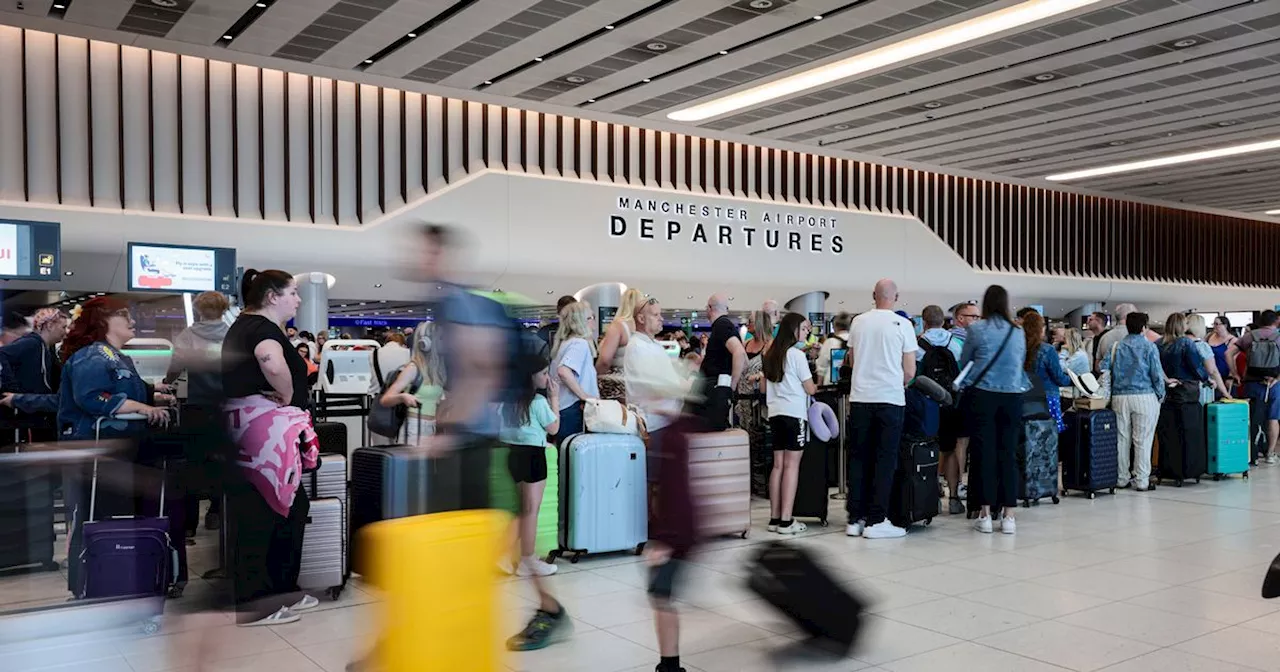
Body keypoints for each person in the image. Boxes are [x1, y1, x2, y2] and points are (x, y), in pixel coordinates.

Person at [221, 269, 319, 627]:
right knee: (262, 511)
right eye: (293, 292)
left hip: (261, 436)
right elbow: (270, 361)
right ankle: (255, 602)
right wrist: (289, 396)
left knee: (291, 507)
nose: (298, 299)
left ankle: (281, 589)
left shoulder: (251, 326)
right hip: (261, 437)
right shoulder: (260, 328)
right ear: (272, 296)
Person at [58, 297, 174, 593]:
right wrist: (144, 407)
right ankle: (91, 585)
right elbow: (93, 397)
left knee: (114, 518)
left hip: (118, 453)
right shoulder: (92, 356)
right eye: (124, 315)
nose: (133, 320)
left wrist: (152, 394)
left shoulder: (117, 356)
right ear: (103, 320)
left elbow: (124, 388)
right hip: (94, 453)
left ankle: (115, 581)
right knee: (93, 519)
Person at [624, 296, 696, 672]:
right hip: (654, 429)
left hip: (676, 530)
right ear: (639, 316)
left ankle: (670, 663)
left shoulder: (651, 347)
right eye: (655, 313)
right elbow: (659, 387)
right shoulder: (639, 349)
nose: (660, 318)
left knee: (663, 592)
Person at [845, 279, 917, 540]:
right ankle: (877, 520)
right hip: (890, 399)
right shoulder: (904, 325)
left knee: (858, 457)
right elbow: (909, 370)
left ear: (873, 295)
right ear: (896, 297)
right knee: (885, 460)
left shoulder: (858, 322)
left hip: (861, 397)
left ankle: (855, 518)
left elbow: (852, 361)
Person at [498, 351, 563, 633]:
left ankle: (504, 554)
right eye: (544, 373)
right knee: (532, 510)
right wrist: (556, 400)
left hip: (513, 455)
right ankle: (528, 559)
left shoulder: (509, 403)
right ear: (532, 377)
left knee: (520, 508)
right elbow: (554, 428)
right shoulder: (538, 403)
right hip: (535, 456)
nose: (547, 377)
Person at [958, 285, 1027, 535]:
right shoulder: (1017, 332)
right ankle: (1009, 515)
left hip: (983, 396)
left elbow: (965, 362)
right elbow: (1019, 362)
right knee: (1008, 455)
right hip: (1012, 396)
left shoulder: (976, 330)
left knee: (983, 454)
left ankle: (985, 514)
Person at [161, 291, 231, 535]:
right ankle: (216, 512)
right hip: (226, 406)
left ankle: (189, 524)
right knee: (223, 461)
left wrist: (166, 382)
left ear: (199, 310)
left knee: (191, 463)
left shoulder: (187, 335)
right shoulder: (231, 334)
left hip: (195, 404)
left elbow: (175, 366)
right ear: (224, 310)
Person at [762, 313, 818, 535]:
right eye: (804, 328)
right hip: (795, 415)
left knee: (778, 466)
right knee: (791, 466)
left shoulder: (771, 354)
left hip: (775, 414)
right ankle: (786, 521)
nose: (807, 332)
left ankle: (775, 518)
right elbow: (810, 388)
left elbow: (764, 389)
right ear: (793, 329)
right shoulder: (796, 355)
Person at [1102, 312, 1166, 491]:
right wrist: (1161, 395)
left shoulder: (1116, 347)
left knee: (1122, 439)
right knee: (1143, 440)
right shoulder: (1149, 347)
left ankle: (1121, 478)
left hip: (1120, 397)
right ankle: (1141, 480)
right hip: (1144, 396)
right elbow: (1156, 375)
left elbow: (1104, 368)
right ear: (1144, 327)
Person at [917, 305, 964, 514]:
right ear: (944, 322)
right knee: (951, 449)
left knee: (925, 447)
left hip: (924, 405)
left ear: (924, 322)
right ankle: (954, 498)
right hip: (951, 404)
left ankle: (930, 497)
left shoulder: (917, 345)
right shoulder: (955, 343)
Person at [378, 321, 446, 442]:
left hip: (432, 427)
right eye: (440, 338)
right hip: (415, 428)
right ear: (427, 343)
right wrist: (403, 397)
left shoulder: (436, 370)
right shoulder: (413, 368)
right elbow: (385, 399)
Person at [1227, 310, 1280, 464]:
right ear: (1275, 322)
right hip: (1274, 384)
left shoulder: (1250, 336)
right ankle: (1270, 454)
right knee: (1273, 418)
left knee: (1251, 418)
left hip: (1251, 382)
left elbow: (1228, 354)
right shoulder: (1278, 336)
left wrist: (1235, 373)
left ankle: (1251, 454)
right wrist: (1277, 378)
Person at [688, 293, 745, 431]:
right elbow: (744, 358)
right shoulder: (726, 326)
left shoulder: (722, 325)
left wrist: (731, 386)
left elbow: (740, 353)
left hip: (715, 390)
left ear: (709, 308)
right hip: (717, 389)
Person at [0, 307, 69, 422]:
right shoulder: (31, 343)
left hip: (36, 410)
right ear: (50, 326)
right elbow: (2, 354)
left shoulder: (47, 348)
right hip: (27, 414)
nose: (66, 331)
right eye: (63, 327)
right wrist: (13, 388)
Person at [550, 301, 598, 446]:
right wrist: (585, 396)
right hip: (574, 409)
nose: (594, 321)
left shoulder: (565, 343)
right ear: (581, 321)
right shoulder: (579, 344)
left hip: (561, 408)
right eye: (591, 317)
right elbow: (563, 371)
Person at [737, 311, 774, 498]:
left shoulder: (770, 345)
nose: (747, 324)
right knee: (746, 441)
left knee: (760, 440)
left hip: (760, 402)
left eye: (750, 322)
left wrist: (759, 376)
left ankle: (762, 484)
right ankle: (749, 482)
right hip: (742, 399)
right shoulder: (745, 344)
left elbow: (773, 371)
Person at [1024, 312, 1073, 433]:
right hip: (1048, 396)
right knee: (1050, 434)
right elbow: (1058, 377)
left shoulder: (1020, 348)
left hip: (1026, 397)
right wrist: (1073, 380)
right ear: (1041, 328)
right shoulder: (1047, 350)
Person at [596, 288, 644, 404]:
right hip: (639, 384)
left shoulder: (618, 326)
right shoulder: (644, 328)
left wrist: (594, 375)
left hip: (617, 385)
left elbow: (605, 360)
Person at [1185, 314, 1231, 400]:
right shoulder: (1201, 346)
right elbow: (1212, 371)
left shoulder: (1175, 343)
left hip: (1178, 388)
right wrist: (1225, 393)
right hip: (1198, 389)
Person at [1096, 304, 1137, 373]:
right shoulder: (1136, 337)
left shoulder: (1105, 337)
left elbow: (1097, 367)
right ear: (1128, 317)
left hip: (1111, 381)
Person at [816, 312, 852, 386]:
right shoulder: (854, 340)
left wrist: (819, 384)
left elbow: (822, 366)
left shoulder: (830, 341)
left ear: (835, 326)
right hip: (851, 384)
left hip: (832, 384)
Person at [1208, 315, 1237, 389]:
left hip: (1224, 375)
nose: (1215, 326)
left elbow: (1234, 360)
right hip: (1210, 375)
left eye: (1218, 324)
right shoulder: (1209, 336)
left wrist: (1231, 377)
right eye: (1214, 324)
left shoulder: (1232, 340)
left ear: (1225, 325)